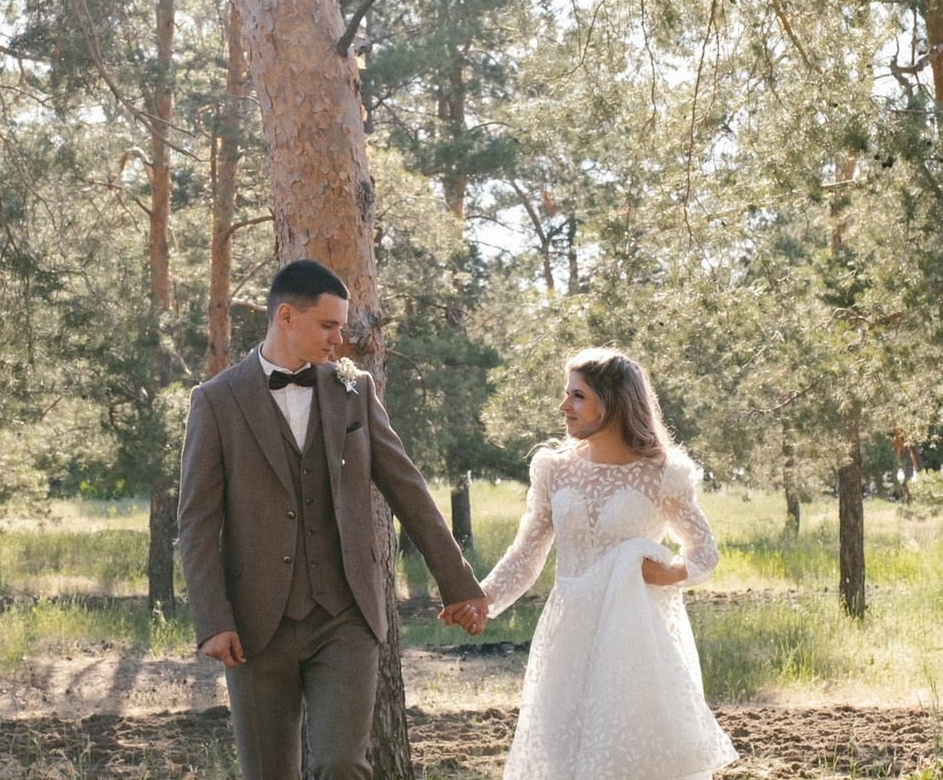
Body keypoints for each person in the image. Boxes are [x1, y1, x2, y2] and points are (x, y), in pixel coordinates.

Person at [177, 258, 488, 780]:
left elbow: (408, 489)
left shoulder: (354, 390)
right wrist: (213, 619)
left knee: (342, 765)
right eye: (328, 325)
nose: (339, 339)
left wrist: (459, 584)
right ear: (285, 317)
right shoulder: (215, 402)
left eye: (341, 326)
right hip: (255, 625)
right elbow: (198, 521)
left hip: (345, 615)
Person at [462, 347, 737, 780]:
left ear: (611, 402)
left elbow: (704, 551)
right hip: (568, 634)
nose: (563, 406)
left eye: (577, 396)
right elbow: (526, 552)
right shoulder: (555, 469)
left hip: (632, 638)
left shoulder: (662, 474)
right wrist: (483, 599)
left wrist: (668, 572)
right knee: (562, 752)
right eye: (566, 394)